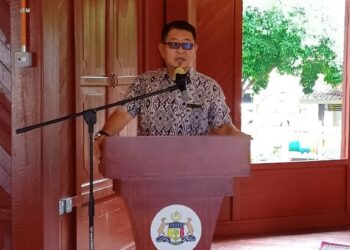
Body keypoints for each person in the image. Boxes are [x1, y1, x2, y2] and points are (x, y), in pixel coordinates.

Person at [94, 20, 246, 159]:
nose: (181, 50)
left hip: (195, 167)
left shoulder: (209, 87)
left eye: (187, 45)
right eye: (174, 44)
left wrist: (237, 136)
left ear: (195, 49)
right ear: (162, 49)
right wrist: (104, 134)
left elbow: (222, 126)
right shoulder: (145, 83)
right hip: (150, 166)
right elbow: (123, 113)